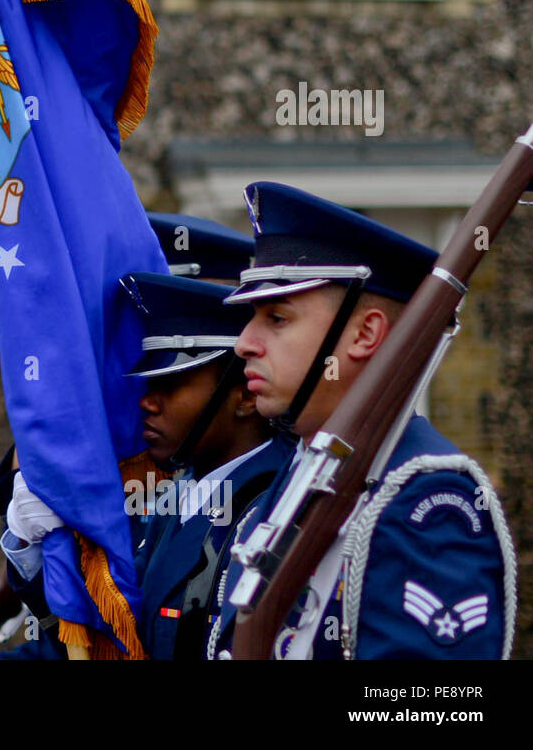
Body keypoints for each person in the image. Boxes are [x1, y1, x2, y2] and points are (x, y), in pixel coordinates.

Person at [207, 182, 515, 660]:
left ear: (366, 333)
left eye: (277, 318)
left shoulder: (427, 500)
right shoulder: (301, 470)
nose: (244, 342)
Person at [4, 272, 290, 659]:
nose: (147, 403)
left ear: (243, 396)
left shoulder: (272, 504)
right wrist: (34, 553)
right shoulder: (183, 495)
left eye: (171, 385)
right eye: (148, 386)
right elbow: (113, 639)